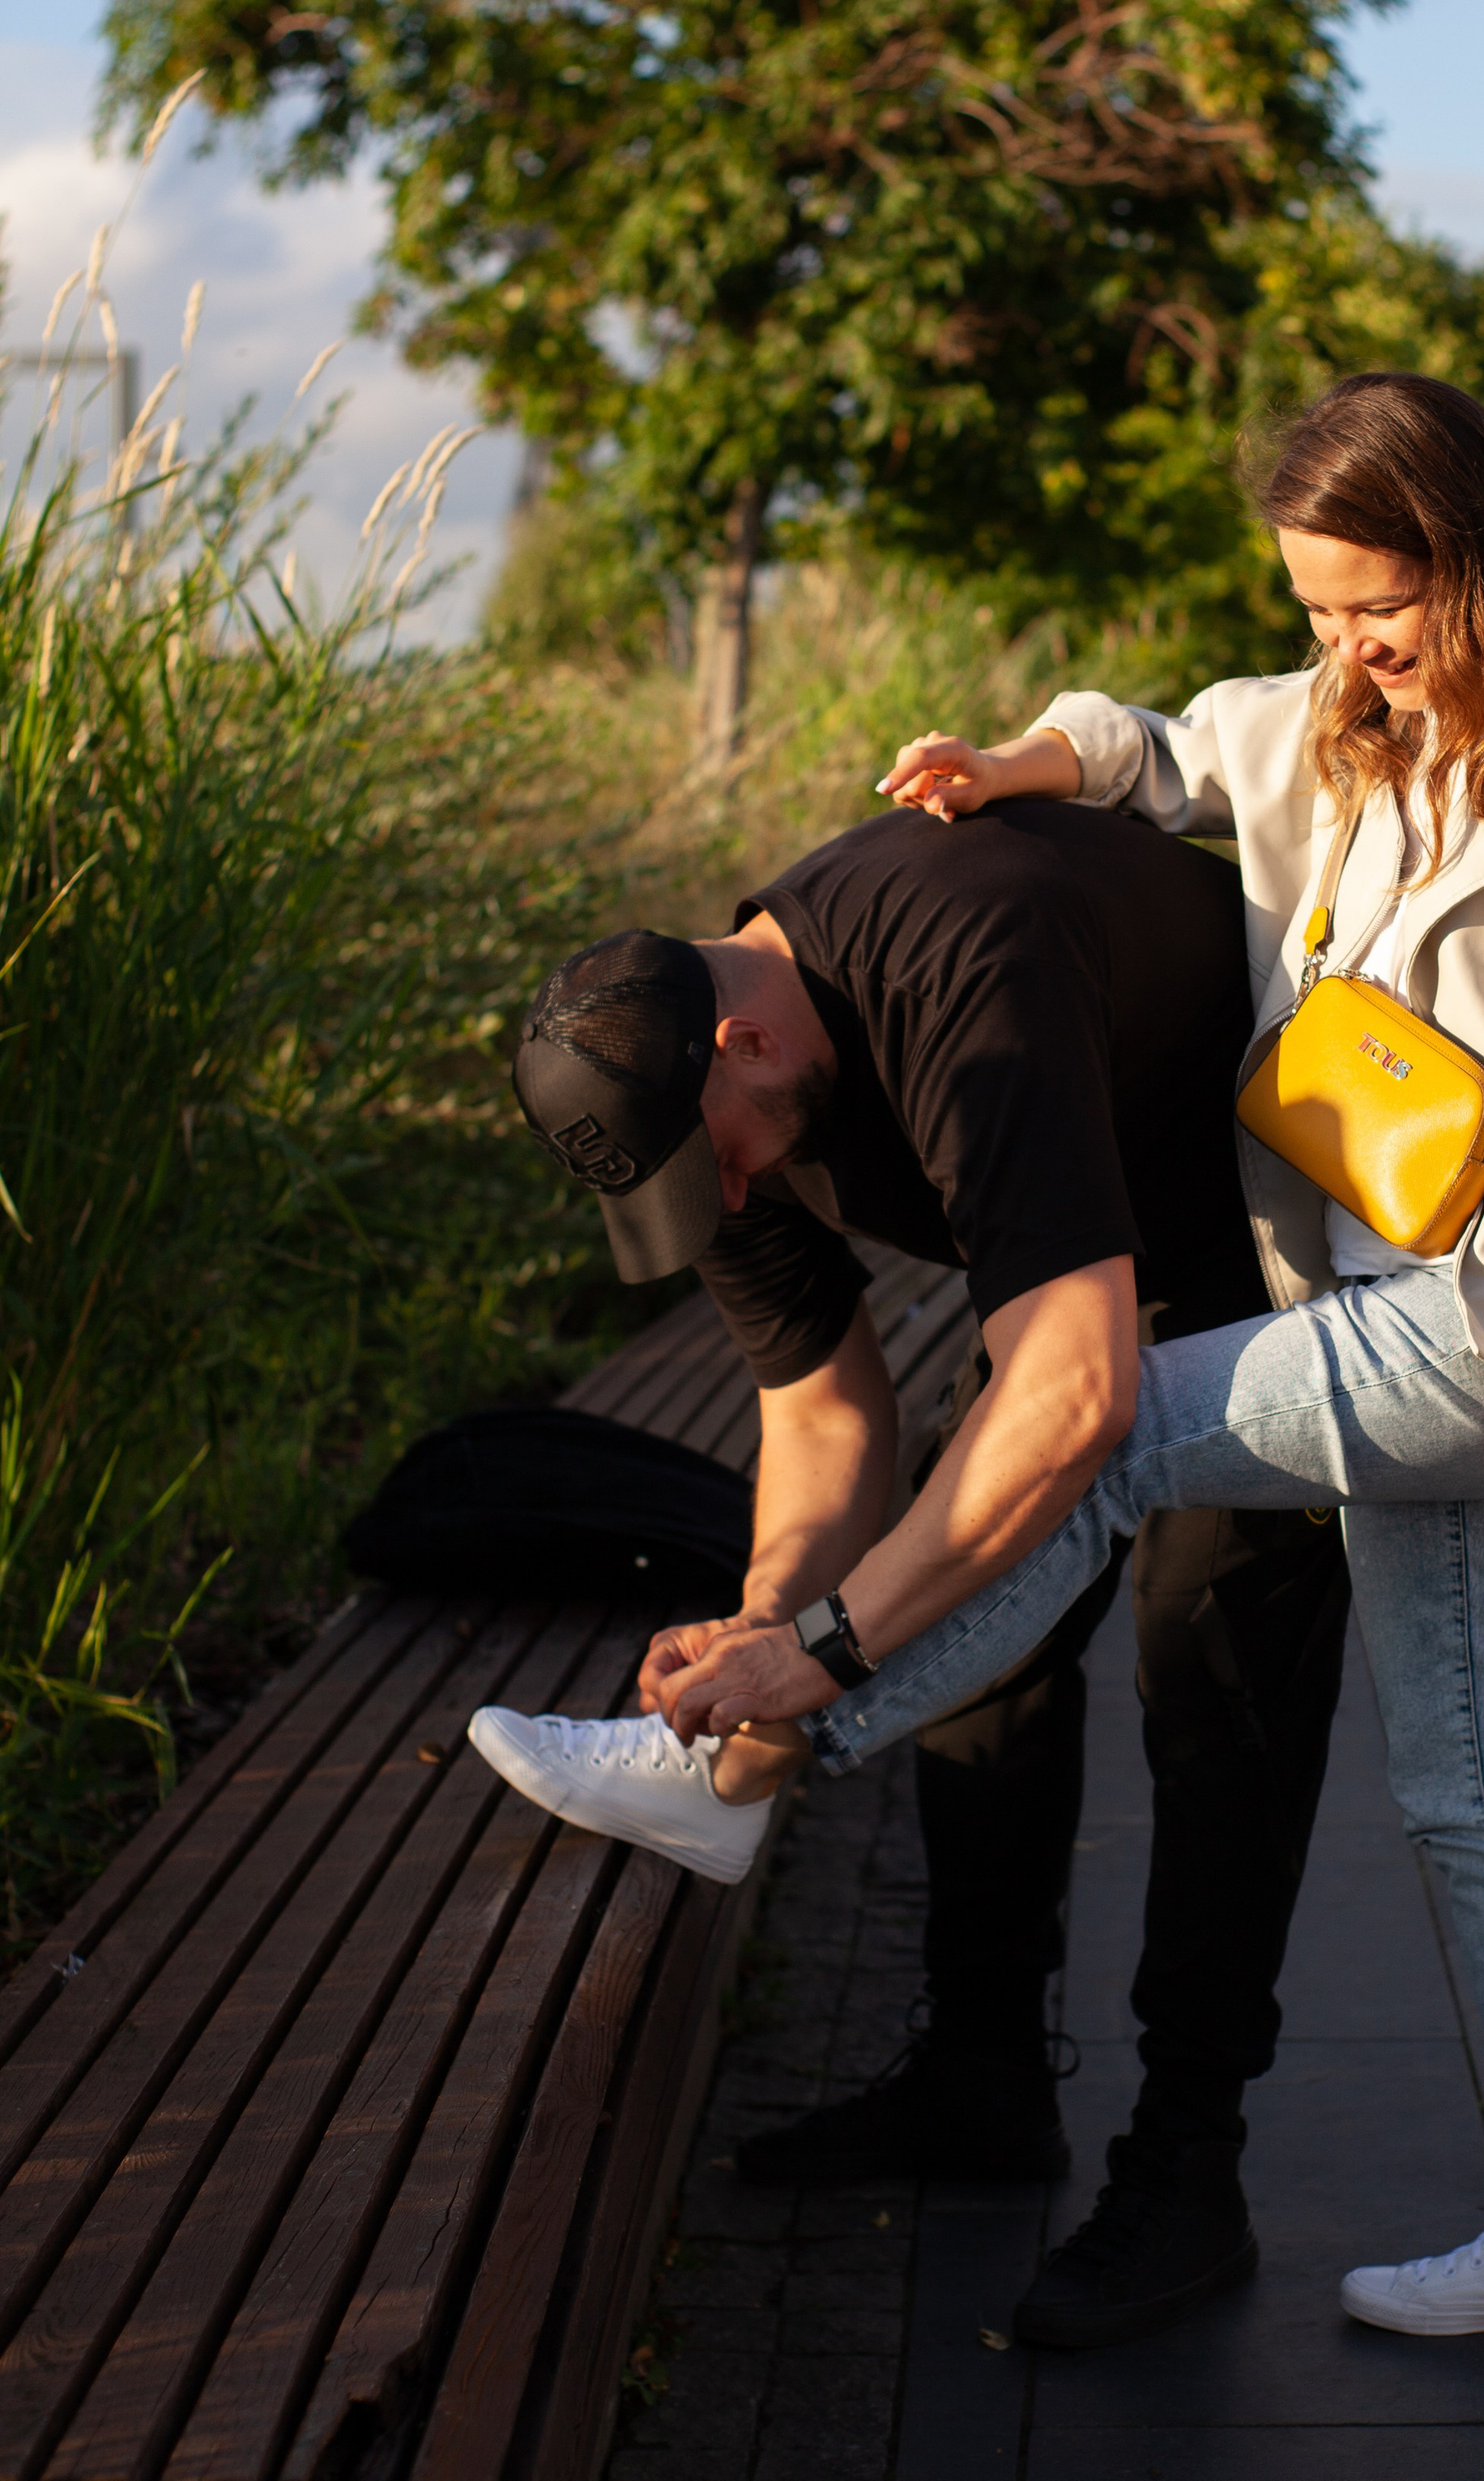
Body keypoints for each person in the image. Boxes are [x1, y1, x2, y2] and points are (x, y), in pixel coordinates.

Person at [618, 371, 1484, 2347]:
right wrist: (1015, 758)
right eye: (1316, 609)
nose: (1345, 646)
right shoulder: (1350, 728)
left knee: (1109, 1437)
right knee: (1481, 1802)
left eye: (1373, 604)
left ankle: (758, 1751)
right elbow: (1166, 744)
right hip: (1346, 1287)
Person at [471, 796, 1351, 2346]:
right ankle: (984, 2076)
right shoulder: (713, 1108)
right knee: (975, 1650)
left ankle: (1191, 2169)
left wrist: (825, 1654)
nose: (725, 1202)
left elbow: (1077, 1390)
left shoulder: (962, 957)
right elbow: (821, 1404)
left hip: (1267, 1234)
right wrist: (763, 1630)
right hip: (1080, 1276)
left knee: (1213, 1676)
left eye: (717, 1167)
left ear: (743, 1040)